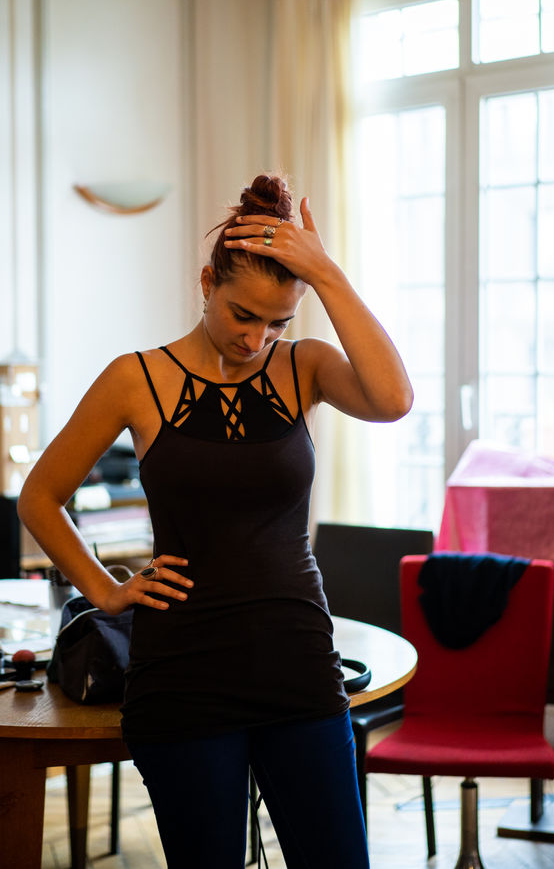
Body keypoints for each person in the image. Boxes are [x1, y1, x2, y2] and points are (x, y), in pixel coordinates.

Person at [18, 173, 413, 868]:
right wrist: (106, 590)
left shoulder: (304, 367)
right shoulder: (136, 379)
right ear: (207, 283)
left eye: (277, 322)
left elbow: (392, 399)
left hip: (298, 664)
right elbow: (39, 497)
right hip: (182, 676)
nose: (257, 338)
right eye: (242, 315)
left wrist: (326, 274)